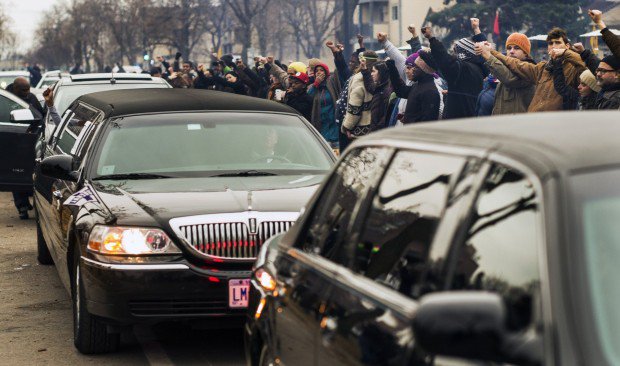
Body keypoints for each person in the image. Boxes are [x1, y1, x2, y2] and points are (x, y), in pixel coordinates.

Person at [479, 27, 586, 112]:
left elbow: (586, 68)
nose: (554, 46)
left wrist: (567, 53)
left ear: (567, 46)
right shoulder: (542, 68)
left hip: (556, 124)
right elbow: (516, 64)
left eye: (558, 43)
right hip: (534, 122)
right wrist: (492, 52)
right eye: (550, 43)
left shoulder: (573, 68)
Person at [422, 18, 488, 119]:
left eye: (455, 50)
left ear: (463, 52)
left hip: (458, 120)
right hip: (472, 117)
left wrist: (432, 39)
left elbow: (445, 61)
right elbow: (482, 52)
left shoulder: (463, 69)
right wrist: (476, 29)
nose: (453, 54)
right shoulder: (480, 69)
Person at [6, 77, 45, 219]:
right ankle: (21, 206)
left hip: (30, 142)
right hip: (13, 143)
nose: (27, 93)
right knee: (16, 173)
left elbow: (41, 117)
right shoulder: (8, 100)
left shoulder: (31, 97)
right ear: (15, 88)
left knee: (29, 174)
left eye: (28, 90)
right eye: (24, 90)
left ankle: (28, 201)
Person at [479, 33, 536, 115]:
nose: (512, 51)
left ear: (526, 53)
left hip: (518, 125)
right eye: (509, 48)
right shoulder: (505, 68)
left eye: (517, 48)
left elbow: (509, 79)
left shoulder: (530, 70)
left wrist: (488, 56)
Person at [386, 50, 441, 123]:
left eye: (416, 68)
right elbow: (401, 91)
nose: (412, 70)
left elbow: (427, 123)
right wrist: (391, 67)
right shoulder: (417, 85)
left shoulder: (430, 91)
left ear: (424, 70)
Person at [341, 51, 380, 139]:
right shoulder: (380, 76)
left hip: (360, 131)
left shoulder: (359, 79)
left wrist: (347, 127)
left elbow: (355, 107)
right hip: (375, 129)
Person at [307, 61, 341, 149]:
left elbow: (339, 71)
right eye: (316, 71)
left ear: (326, 72)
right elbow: (308, 98)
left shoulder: (332, 83)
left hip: (335, 128)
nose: (318, 72)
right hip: (322, 128)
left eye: (321, 70)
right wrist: (316, 84)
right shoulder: (313, 87)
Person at [361, 59, 393, 131]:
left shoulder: (387, 90)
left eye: (373, 71)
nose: (371, 74)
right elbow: (370, 86)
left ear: (381, 72)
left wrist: (375, 130)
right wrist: (365, 70)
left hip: (379, 132)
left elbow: (385, 116)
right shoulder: (380, 87)